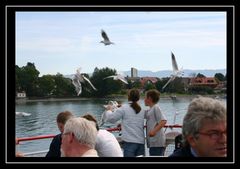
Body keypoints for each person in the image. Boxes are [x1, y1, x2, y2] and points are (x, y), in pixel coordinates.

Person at [103, 88, 145, 157]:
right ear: (138, 98)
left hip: (130, 142)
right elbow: (132, 120)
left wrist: (109, 110)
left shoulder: (124, 108)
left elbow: (111, 119)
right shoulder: (141, 109)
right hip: (141, 142)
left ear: (128, 97)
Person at [144, 89, 167, 156]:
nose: (144, 100)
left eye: (145, 98)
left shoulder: (156, 108)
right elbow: (140, 113)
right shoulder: (150, 110)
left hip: (157, 143)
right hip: (153, 143)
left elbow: (163, 121)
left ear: (150, 98)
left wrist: (153, 131)